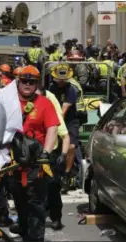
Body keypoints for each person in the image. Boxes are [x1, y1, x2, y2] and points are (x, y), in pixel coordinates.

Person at [9, 65, 59, 242]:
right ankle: (24, 231)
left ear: (37, 84)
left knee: (36, 206)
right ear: (18, 82)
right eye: (24, 81)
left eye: (31, 82)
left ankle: (35, 238)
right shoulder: (10, 102)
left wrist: (46, 152)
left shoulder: (45, 103)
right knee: (20, 204)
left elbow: (52, 129)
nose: (27, 85)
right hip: (14, 162)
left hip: (35, 161)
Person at [36, 85, 70, 230]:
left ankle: (56, 217)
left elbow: (65, 135)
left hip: (49, 156)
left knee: (52, 188)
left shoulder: (51, 112)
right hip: (31, 156)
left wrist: (63, 154)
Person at [48, 64, 81, 193]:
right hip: (53, 118)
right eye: (59, 79)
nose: (61, 81)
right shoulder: (51, 87)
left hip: (69, 120)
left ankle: (67, 175)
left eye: (63, 79)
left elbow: (63, 111)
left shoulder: (71, 90)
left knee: (71, 147)